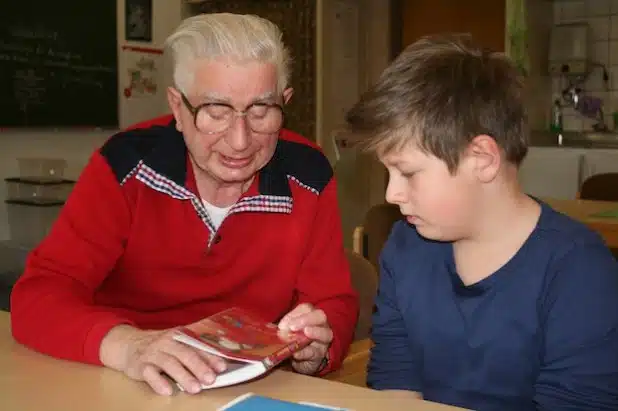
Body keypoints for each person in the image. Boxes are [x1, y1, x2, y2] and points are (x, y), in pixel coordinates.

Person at [10, 13, 359, 396]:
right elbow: (38, 297)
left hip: (244, 390)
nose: (240, 141)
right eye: (215, 111)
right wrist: (129, 346)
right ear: (178, 108)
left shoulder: (308, 175)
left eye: (261, 111)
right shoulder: (127, 167)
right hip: (124, 381)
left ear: (284, 102)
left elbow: (333, 302)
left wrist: (316, 349)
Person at [344, 34, 618, 410]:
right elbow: (395, 377)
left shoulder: (579, 271)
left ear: (483, 159)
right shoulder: (405, 246)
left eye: (407, 173)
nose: (392, 194)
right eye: (387, 172)